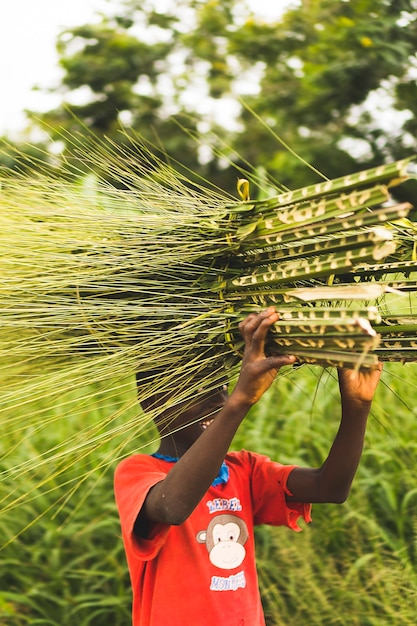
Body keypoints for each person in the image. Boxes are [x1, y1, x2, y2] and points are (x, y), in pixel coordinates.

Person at [114, 307, 382, 626]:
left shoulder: (244, 471)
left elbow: (332, 488)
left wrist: (357, 405)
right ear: (151, 399)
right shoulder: (138, 473)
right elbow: (173, 508)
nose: (217, 400)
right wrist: (241, 400)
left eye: (223, 387)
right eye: (198, 389)